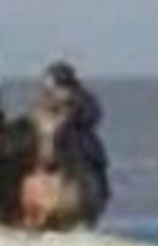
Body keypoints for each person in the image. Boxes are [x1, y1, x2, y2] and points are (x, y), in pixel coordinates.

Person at [32, 60, 109, 193]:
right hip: (49, 133)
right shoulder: (45, 97)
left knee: (94, 156)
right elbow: (37, 115)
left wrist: (75, 119)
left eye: (51, 80)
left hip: (77, 133)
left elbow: (94, 114)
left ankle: (101, 188)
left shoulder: (82, 96)